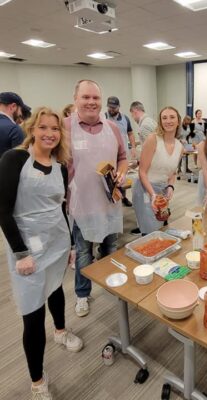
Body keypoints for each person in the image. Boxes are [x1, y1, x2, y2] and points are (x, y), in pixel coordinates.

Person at [0, 107, 83, 400]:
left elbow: (61, 208)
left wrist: (71, 245)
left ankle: (61, 331)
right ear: (32, 129)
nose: (49, 133)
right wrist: (21, 252)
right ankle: (37, 380)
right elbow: (3, 210)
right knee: (32, 312)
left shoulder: (60, 165)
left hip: (57, 242)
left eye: (55, 129)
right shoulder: (14, 159)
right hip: (27, 248)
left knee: (57, 290)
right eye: (44, 127)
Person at [65, 79, 128, 317]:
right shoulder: (65, 127)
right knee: (83, 252)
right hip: (82, 204)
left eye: (95, 98)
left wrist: (122, 171)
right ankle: (82, 294)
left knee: (110, 246)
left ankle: (111, 283)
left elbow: (123, 157)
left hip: (109, 202)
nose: (91, 102)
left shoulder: (112, 127)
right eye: (86, 97)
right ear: (76, 99)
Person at [132, 106, 183, 235]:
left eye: (172, 117)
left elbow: (173, 172)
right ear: (160, 122)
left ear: (178, 121)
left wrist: (171, 186)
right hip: (145, 189)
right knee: (150, 231)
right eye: (164, 118)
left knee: (160, 227)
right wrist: (152, 194)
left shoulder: (180, 146)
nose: (168, 121)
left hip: (162, 191)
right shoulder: (153, 139)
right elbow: (142, 172)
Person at [105, 96, 136, 207]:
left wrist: (133, 147)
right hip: (108, 154)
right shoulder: (103, 117)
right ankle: (111, 198)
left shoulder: (125, 118)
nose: (112, 109)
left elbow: (130, 133)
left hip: (122, 154)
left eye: (114, 107)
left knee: (122, 177)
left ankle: (123, 197)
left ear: (119, 107)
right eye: (110, 107)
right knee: (110, 177)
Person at [0, 91, 28, 157]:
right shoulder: (14, 130)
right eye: (21, 110)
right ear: (13, 107)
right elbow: (20, 161)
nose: (20, 115)